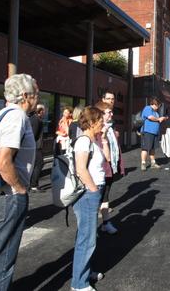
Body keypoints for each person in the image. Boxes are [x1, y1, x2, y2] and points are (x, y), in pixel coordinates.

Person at [0, 73, 38, 290]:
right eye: (35, 94)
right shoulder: (17, 117)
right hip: (7, 196)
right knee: (4, 258)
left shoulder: (1, 114)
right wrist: (20, 189)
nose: (37, 99)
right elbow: (3, 162)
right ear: (25, 95)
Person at [71, 106, 110, 291]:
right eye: (100, 121)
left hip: (93, 191)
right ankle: (79, 284)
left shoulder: (92, 140)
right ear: (92, 122)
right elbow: (81, 169)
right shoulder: (83, 141)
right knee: (86, 239)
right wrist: (94, 189)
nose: (103, 124)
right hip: (88, 194)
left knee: (88, 237)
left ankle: (85, 273)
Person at [95, 101, 120, 235]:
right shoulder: (96, 130)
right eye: (109, 112)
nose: (112, 114)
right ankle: (92, 227)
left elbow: (115, 150)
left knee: (105, 197)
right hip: (99, 169)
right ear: (101, 114)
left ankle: (105, 223)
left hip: (109, 167)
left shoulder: (110, 128)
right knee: (95, 199)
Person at [140, 97, 168, 171]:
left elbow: (156, 120)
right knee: (145, 148)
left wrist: (163, 118)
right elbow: (150, 117)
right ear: (156, 104)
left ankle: (153, 163)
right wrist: (159, 119)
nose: (158, 107)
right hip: (147, 132)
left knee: (152, 148)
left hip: (154, 133)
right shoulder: (148, 108)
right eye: (158, 105)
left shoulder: (156, 112)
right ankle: (143, 163)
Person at [29, 104, 45, 192]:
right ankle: (33, 184)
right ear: (40, 111)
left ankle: (32, 183)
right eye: (43, 111)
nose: (44, 113)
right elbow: (34, 134)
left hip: (35, 146)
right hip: (36, 146)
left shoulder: (35, 119)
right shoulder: (36, 120)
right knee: (39, 164)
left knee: (36, 164)